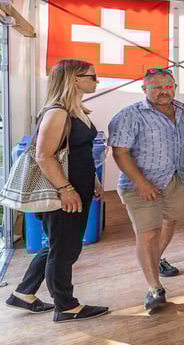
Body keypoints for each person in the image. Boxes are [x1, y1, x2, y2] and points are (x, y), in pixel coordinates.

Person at [7, 59, 109, 322]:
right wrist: (66, 189)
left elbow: (78, 152)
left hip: (77, 187)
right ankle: (65, 306)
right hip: (64, 192)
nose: (97, 81)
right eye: (92, 77)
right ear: (74, 79)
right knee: (65, 250)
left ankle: (24, 293)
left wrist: (93, 182)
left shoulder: (75, 110)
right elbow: (44, 155)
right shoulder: (57, 112)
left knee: (58, 245)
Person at [109, 68, 184, 310]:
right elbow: (119, 153)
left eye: (168, 86)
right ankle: (154, 287)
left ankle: (155, 260)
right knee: (147, 234)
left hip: (177, 178)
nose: (163, 91)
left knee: (169, 222)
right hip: (142, 183)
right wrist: (141, 182)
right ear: (144, 88)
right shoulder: (129, 115)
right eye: (156, 87)